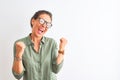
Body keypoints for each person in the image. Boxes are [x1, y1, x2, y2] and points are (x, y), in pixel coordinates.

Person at [12, 10, 67, 80]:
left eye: (48, 24)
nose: (44, 25)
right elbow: (18, 75)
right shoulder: (19, 44)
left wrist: (61, 49)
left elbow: (56, 69)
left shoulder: (52, 43)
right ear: (33, 21)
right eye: (41, 21)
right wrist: (19, 54)